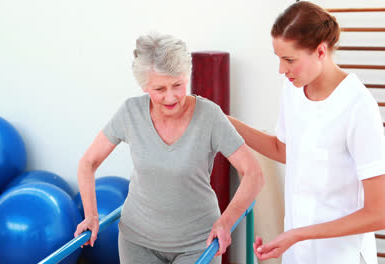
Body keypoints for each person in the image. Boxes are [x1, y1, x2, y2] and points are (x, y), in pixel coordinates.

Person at [74, 32, 264, 264]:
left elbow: (253, 173)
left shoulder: (210, 116)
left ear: (187, 77)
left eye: (177, 85)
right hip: (137, 242)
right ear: (145, 86)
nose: (171, 96)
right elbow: (88, 163)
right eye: (159, 89)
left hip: (198, 243)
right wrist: (91, 215)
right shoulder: (130, 112)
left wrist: (226, 221)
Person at [227, 2, 385, 263]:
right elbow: (284, 150)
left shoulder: (357, 105)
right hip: (298, 253)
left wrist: (298, 235)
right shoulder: (293, 89)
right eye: (278, 58)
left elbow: (378, 212)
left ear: (320, 51)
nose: (281, 69)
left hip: (341, 256)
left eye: (289, 60)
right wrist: (228, 122)